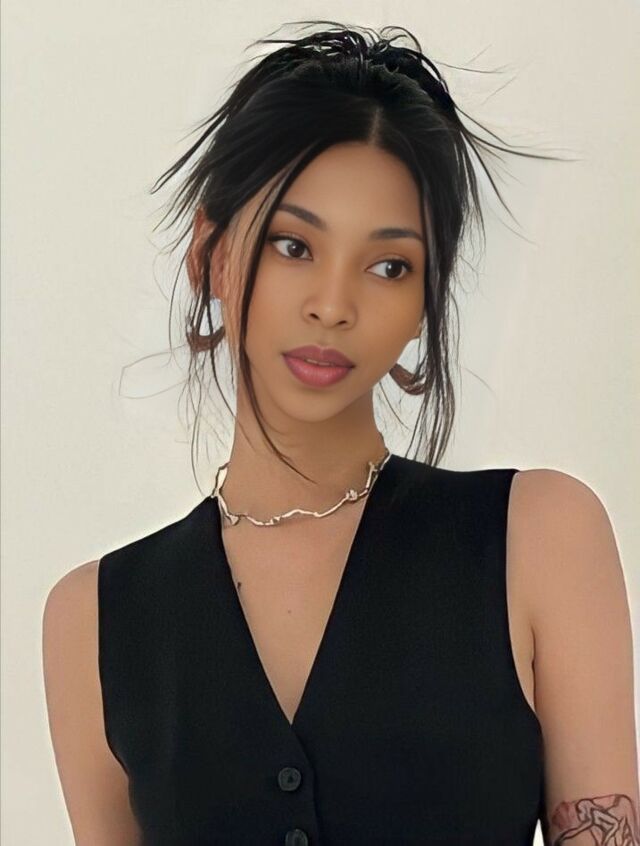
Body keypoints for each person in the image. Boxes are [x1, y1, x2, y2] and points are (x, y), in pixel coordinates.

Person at [42, 20, 639, 846]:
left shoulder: (539, 539)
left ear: (425, 300)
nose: (333, 304)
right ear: (210, 256)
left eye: (389, 266)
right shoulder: (95, 621)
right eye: (293, 246)